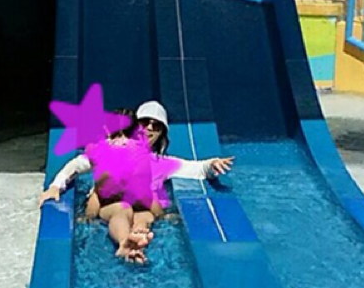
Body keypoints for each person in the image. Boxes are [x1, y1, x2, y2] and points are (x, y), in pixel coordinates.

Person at [38, 100, 234, 263]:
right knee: (123, 209)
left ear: (162, 134)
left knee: (144, 215)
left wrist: (212, 164)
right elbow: (77, 165)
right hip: (112, 206)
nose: (149, 128)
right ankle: (125, 242)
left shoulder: (159, 163)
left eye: (156, 125)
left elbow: (196, 168)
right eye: (144, 122)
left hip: (143, 209)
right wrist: (56, 186)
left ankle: (137, 240)